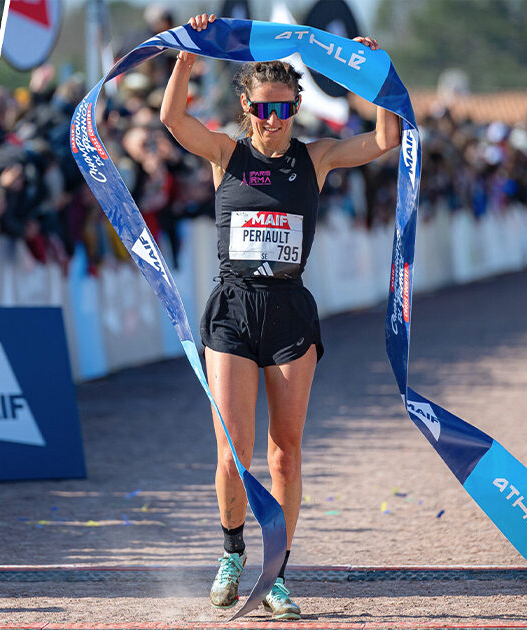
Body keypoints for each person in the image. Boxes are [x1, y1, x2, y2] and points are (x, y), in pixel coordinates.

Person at [159, 13, 399, 620]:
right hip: (234, 308)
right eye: (264, 109)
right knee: (232, 450)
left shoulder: (313, 158)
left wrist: (374, 79)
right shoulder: (226, 153)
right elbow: (172, 121)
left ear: (296, 107)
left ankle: (277, 573)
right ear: (245, 107)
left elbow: (383, 143)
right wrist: (186, 55)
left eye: (285, 109)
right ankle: (233, 553)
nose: (276, 121)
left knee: (285, 451)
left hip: (290, 310)